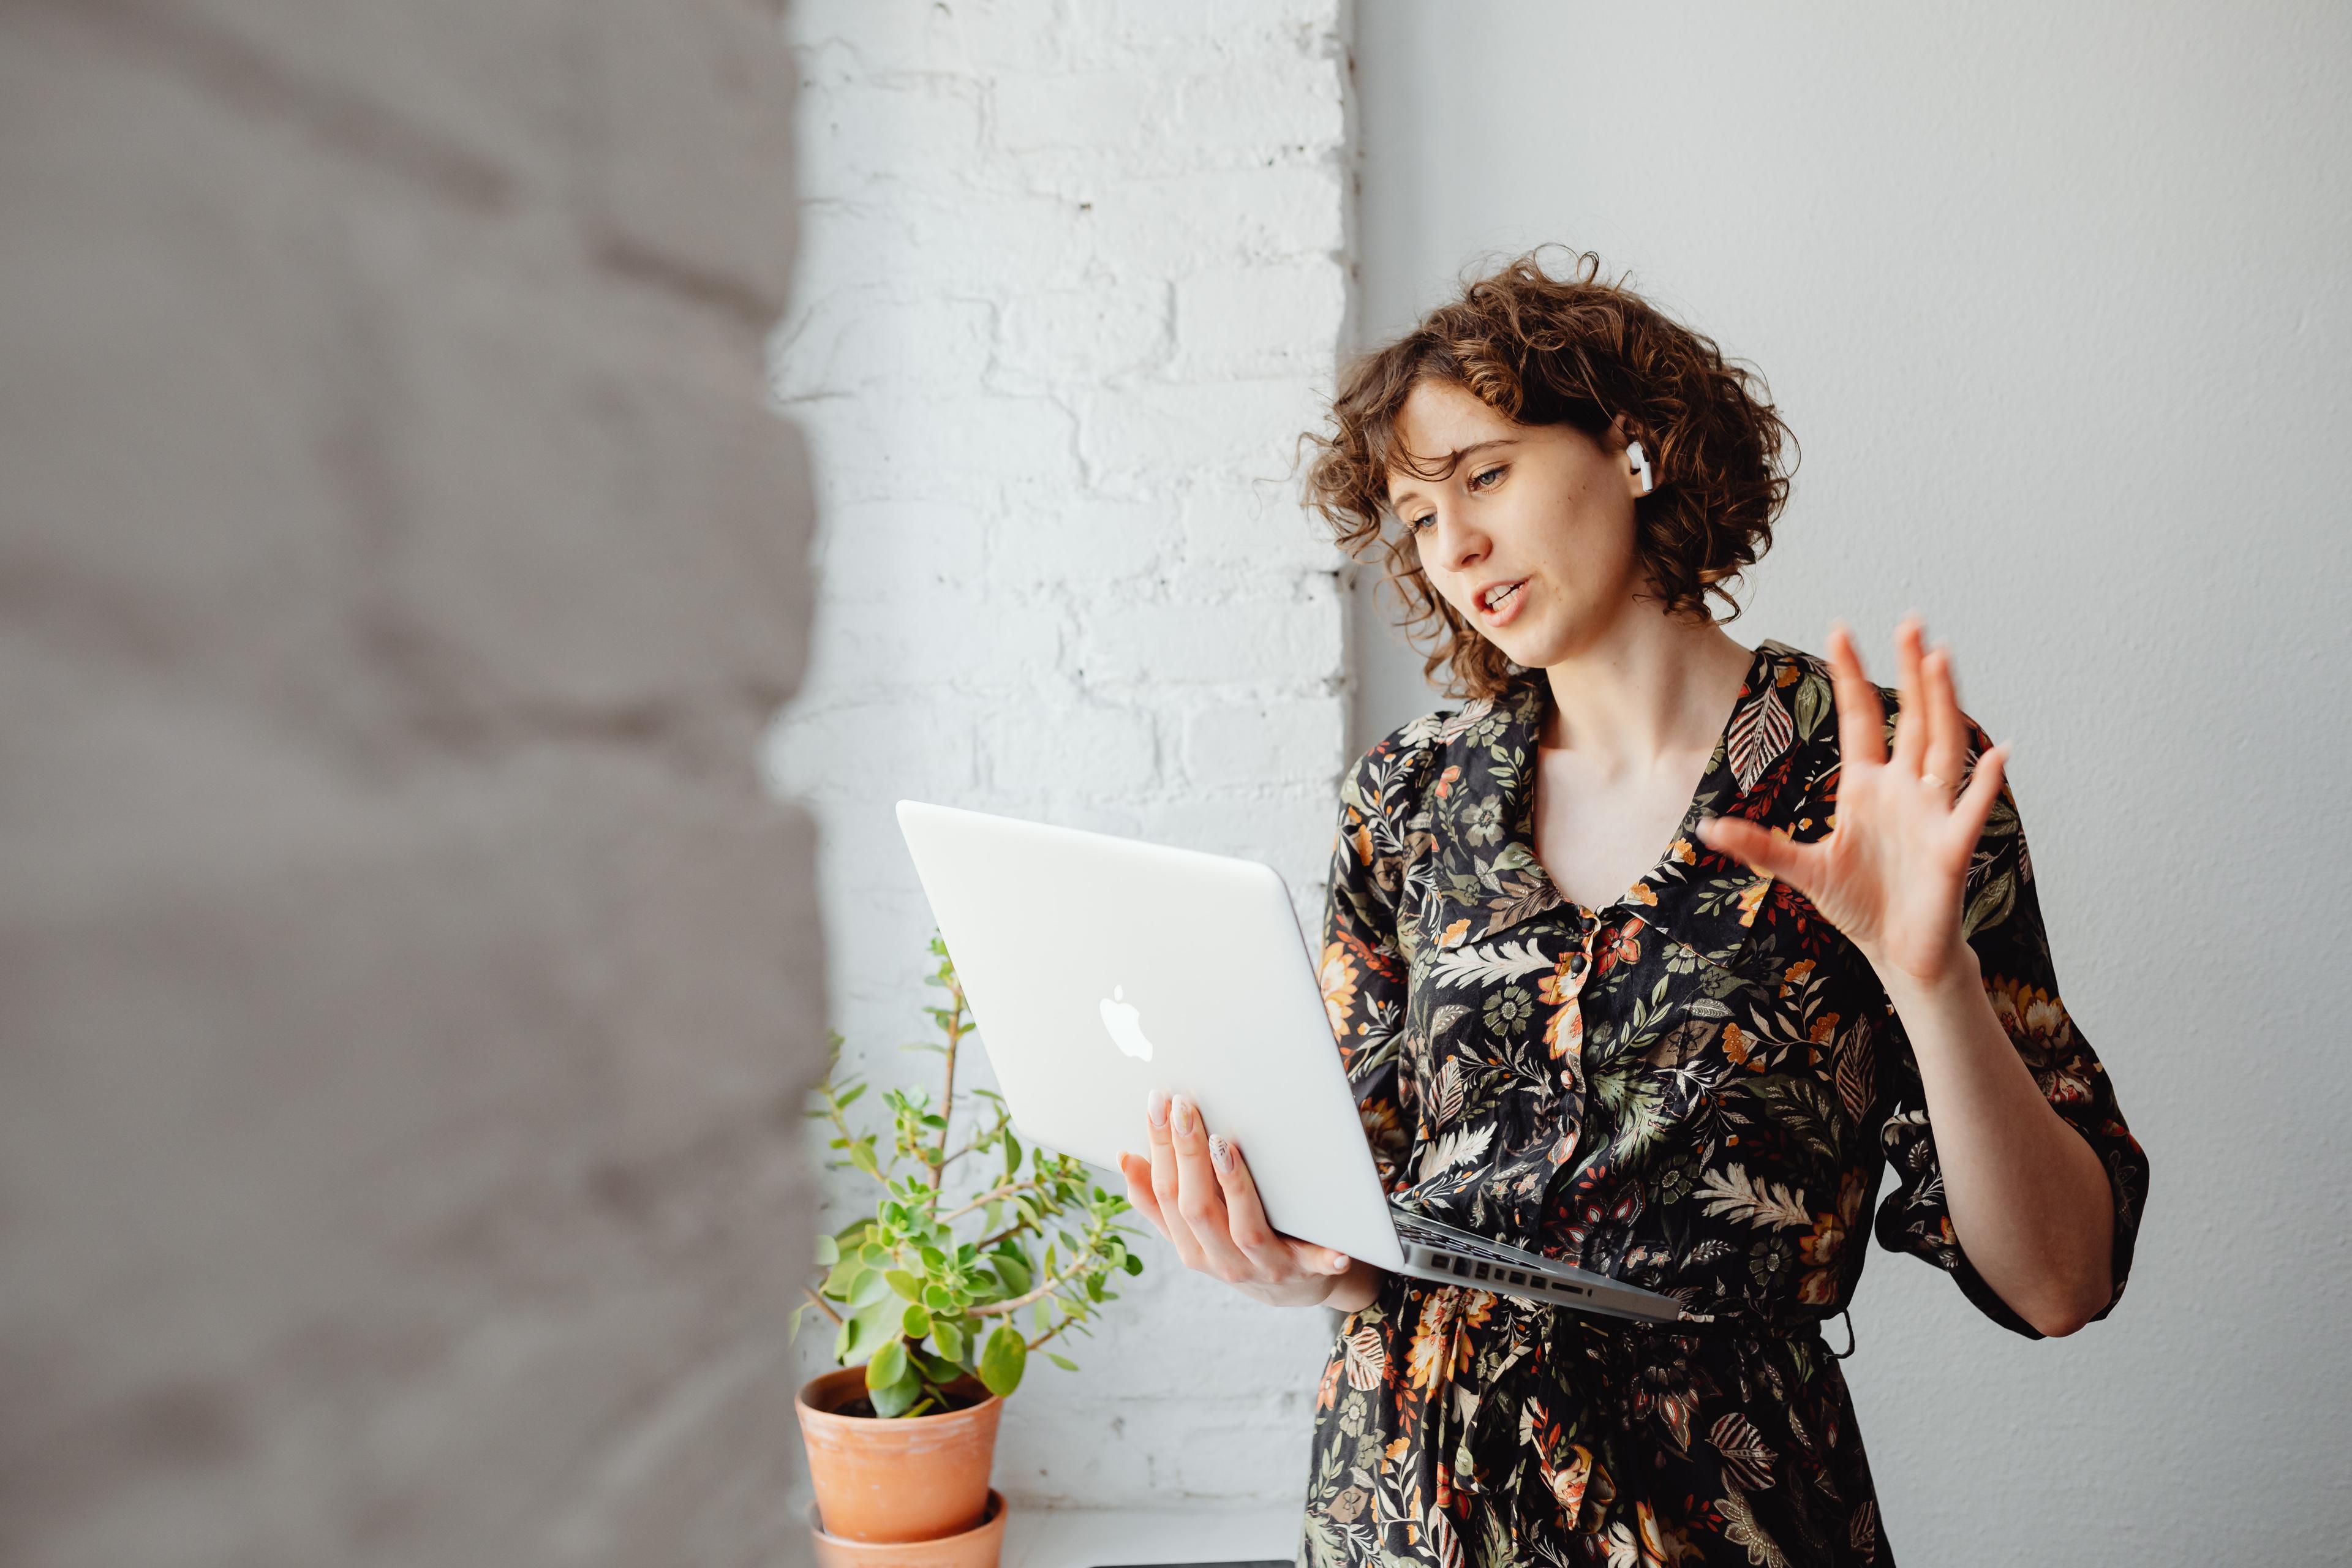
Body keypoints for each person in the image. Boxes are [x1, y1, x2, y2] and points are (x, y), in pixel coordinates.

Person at [1114, 248, 2150, 1567]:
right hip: (1403, 1499)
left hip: (1722, 1514)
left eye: (1483, 474)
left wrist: (1929, 973)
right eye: (1418, 519)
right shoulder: (1410, 795)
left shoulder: (1870, 776)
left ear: (1636, 445)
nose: (1457, 546)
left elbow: (2062, 1281)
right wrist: (1284, 1255)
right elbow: (1369, 1217)